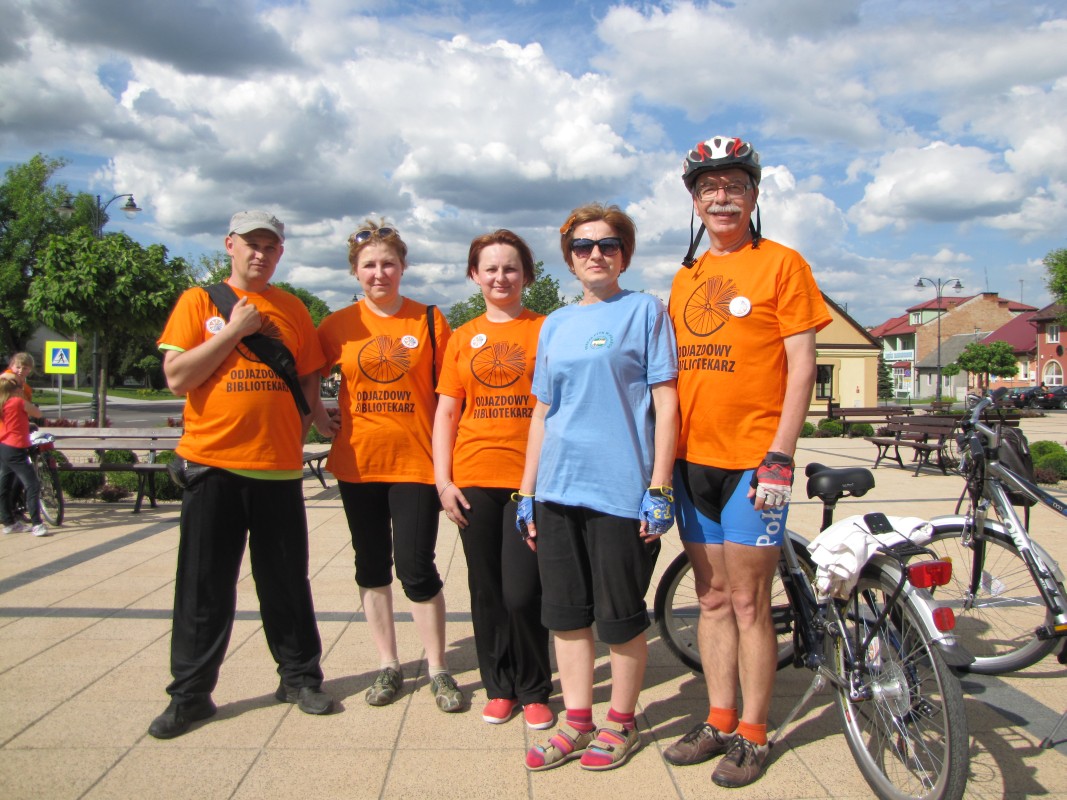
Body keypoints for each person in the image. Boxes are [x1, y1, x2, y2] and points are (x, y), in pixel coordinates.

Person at [664, 136, 831, 787]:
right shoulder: (686, 275)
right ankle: (718, 718)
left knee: (748, 601)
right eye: (709, 187)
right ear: (695, 201)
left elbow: (802, 366)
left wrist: (780, 456)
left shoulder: (782, 264)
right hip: (692, 461)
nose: (722, 197)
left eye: (734, 186)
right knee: (709, 598)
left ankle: (754, 734)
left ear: (754, 196)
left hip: (754, 463)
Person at [148, 210, 333, 739]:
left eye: (270, 247)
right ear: (230, 244)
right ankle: (190, 695)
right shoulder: (199, 301)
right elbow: (177, 378)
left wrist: (306, 428)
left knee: (286, 583)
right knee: (203, 586)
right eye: (252, 244)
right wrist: (234, 331)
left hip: (277, 469)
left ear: (280, 253)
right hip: (212, 465)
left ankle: (299, 678)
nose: (261, 254)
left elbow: (307, 378)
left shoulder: (293, 308)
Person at [517, 203, 678, 771]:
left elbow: (665, 401)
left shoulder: (645, 311)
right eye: (582, 246)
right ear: (569, 258)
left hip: (620, 491)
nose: (595, 254)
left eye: (608, 244)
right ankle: (578, 721)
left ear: (624, 255)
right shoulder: (555, 323)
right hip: (558, 489)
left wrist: (660, 487)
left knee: (620, 615)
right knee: (566, 615)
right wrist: (526, 492)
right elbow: (542, 412)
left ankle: (621, 721)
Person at [317, 220, 463, 713]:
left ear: (402, 267)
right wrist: (319, 417)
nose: (379, 273)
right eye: (369, 265)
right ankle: (389, 664)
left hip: (415, 462)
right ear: (355, 272)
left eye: (388, 264)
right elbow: (307, 372)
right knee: (371, 565)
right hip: (358, 462)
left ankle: (438, 667)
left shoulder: (429, 320)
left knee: (417, 568)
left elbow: (451, 393)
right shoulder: (338, 325)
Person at [432, 230, 552, 729]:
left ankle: (535, 687)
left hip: (531, 480)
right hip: (474, 478)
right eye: (491, 268)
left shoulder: (546, 328)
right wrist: (443, 482)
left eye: (510, 268)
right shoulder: (462, 337)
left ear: (526, 275)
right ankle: (499, 686)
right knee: (486, 590)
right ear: (474, 275)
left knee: (524, 592)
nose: (501, 277)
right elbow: (446, 413)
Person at [0, 374, 49, 536]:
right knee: (32, 485)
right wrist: (23, 399)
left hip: (4, 446)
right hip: (16, 448)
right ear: (14, 390)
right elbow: (38, 413)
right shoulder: (17, 402)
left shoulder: (2, 403)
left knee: (5, 485)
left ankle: (8, 522)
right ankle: (37, 524)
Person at [2, 353, 43, 420]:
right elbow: (5, 376)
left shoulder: (27, 388)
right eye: (18, 367)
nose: (20, 371)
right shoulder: (7, 378)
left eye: (25, 368)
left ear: (30, 370)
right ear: (11, 366)